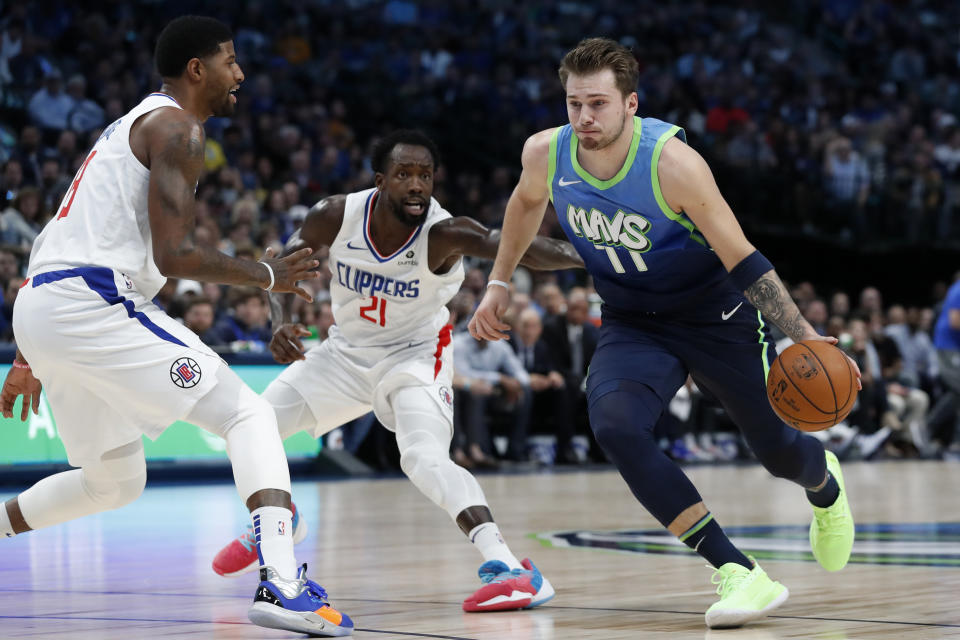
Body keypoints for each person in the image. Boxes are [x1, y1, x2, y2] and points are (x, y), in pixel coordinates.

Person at [469, 38, 861, 629]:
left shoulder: (673, 164)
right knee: (616, 427)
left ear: (631, 104)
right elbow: (524, 206)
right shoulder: (546, 154)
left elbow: (743, 258)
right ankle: (737, 571)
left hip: (715, 316)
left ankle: (824, 485)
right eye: (574, 103)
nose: (584, 119)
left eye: (598, 104)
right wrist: (498, 282)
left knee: (780, 453)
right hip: (632, 321)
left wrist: (802, 334)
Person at [0, 16, 353, 638]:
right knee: (248, 416)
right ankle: (283, 584)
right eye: (230, 61)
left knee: (113, 482)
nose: (239, 74)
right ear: (198, 69)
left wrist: (30, 353)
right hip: (92, 301)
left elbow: (61, 241)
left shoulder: (130, 127)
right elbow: (174, 258)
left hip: (46, 303)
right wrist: (266, 275)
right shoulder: (178, 129)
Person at [211, 129, 583, 612]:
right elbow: (281, 266)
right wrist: (280, 324)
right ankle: (284, 518)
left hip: (415, 356)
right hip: (343, 354)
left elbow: (522, 247)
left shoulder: (444, 231)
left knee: (424, 460)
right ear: (380, 180)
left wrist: (595, 258)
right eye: (404, 174)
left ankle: (511, 569)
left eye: (425, 175)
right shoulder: (335, 214)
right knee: (250, 427)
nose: (416, 185)